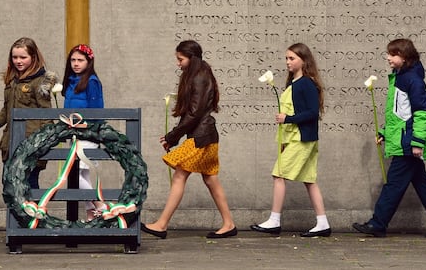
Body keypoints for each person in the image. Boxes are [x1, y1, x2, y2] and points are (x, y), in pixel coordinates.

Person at [353, 38, 426, 238]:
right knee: (422, 182)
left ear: (405, 56)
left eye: (393, 54)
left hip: (408, 143)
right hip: (405, 140)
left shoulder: (413, 80)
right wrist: (385, 132)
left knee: (394, 184)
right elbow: (399, 115)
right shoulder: (400, 78)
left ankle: (378, 223)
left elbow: (421, 113)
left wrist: (417, 142)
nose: (388, 58)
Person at [141, 40, 237, 239]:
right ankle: (229, 224)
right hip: (206, 135)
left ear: (191, 58)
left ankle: (161, 224)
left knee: (180, 175)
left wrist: (173, 136)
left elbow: (194, 113)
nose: (178, 63)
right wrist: (175, 136)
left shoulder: (200, 76)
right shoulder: (200, 74)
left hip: (201, 136)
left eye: (180, 59)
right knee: (210, 178)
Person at [251, 43, 331, 237]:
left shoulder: (307, 83)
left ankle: (274, 221)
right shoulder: (292, 83)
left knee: (279, 174)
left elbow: (312, 113)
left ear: (304, 60)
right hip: (295, 138)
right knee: (309, 180)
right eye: (286, 58)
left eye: (292, 58)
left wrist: (288, 119)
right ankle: (323, 224)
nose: (288, 62)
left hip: (302, 139)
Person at [0, 37, 58, 189]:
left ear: (33, 57)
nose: (18, 61)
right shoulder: (12, 80)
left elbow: (46, 114)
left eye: (23, 57)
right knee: (9, 185)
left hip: (30, 143)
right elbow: (7, 109)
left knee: (28, 187)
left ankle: (34, 213)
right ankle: (17, 213)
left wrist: (43, 140)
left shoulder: (40, 82)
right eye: (15, 57)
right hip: (11, 142)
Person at [63, 43, 107, 220]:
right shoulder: (70, 82)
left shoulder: (92, 82)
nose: (76, 63)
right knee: (83, 174)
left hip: (87, 134)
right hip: (72, 134)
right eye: (73, 60)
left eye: (80, 60)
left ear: (89, 62)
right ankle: (91, 212)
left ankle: (100, 205)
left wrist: (87, 127)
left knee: (73, 172)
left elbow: (97, 110)